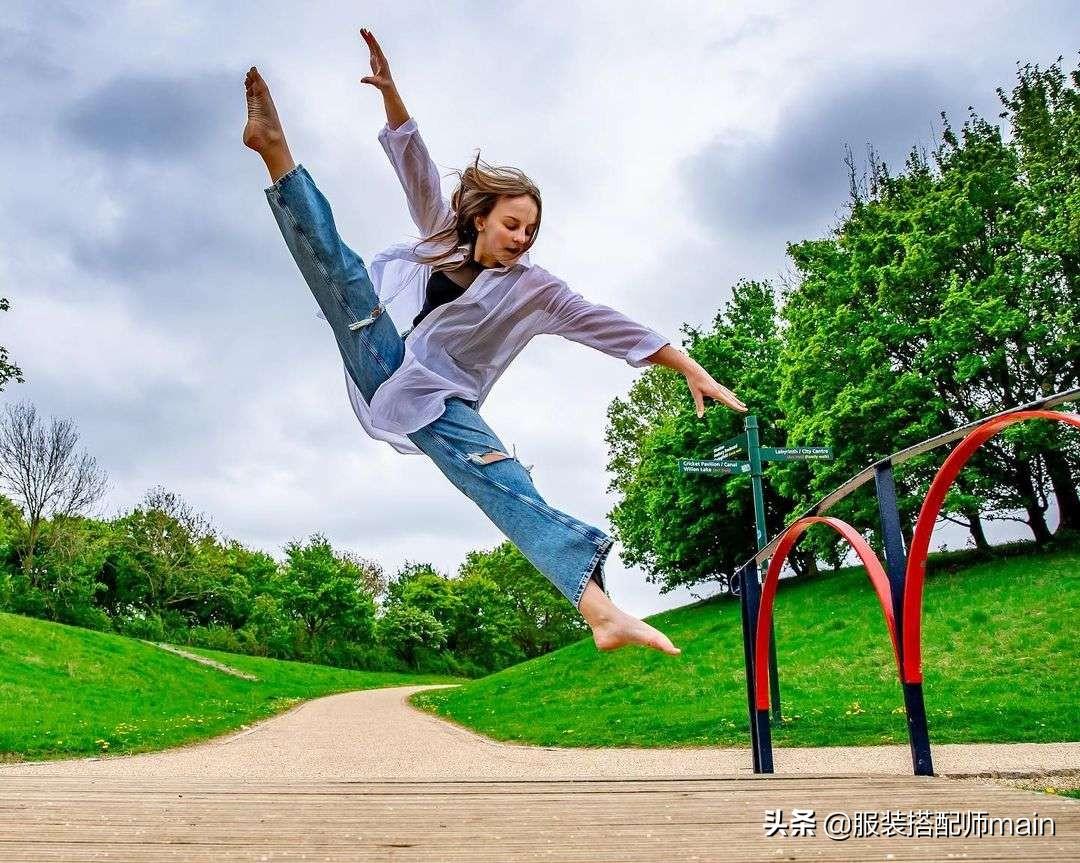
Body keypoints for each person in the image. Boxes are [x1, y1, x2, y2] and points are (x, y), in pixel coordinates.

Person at [243, 28, 747, 656]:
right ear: (481, 217)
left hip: (442, 400)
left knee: (505, 481)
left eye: (531, 231)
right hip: (380, 356)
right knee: (342, 275)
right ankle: (275, 152)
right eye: (512, 224)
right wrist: (392, 97)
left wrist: (688, 367)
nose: (521, 239)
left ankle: (600, 612)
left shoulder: (536, 291)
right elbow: (414, 165)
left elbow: (609, 324)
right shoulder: (441, 229)